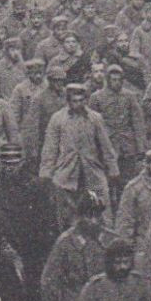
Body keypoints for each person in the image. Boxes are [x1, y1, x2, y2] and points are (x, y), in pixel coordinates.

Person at [39, 189, 111, 301]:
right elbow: (49, 281)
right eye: (88, 215)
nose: (93, 221)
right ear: (78, 217)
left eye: (96, 215)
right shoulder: (65, 244)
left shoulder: (111, 240)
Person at [0, 141, 60, 294]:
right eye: (6, 164)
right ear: (1, 164)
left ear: (21, 163)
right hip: (6, 243)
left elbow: (47, 218)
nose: (10, 168)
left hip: (31, 242)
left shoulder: (37, 186)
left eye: (14, 164)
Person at [39, 81, 121, 222]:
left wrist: (113, 169)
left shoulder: (95, 119)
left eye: (81, 100)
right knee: (64, 213)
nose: (78, 104)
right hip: (66, 171)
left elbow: (106, 147)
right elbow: (50, 149)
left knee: (103, 207)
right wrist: (46, 173)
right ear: (68, 101)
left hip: (92, 170)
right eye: (74, 101)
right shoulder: (57, 119)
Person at [89, 62, 147, 186]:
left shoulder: (130, 96)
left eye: (119, 80)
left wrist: (141, 147)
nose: (116, 82)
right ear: (107, 80)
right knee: (108, 180)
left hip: (127, 144)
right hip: (107, 144)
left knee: (128, 179)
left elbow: (138, 122)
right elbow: (92, 125)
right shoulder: (96, 97)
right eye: (113, 79)